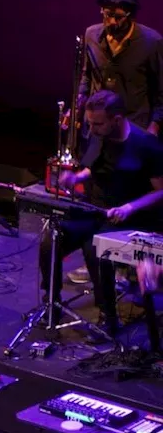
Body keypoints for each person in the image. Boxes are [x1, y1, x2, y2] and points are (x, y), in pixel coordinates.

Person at [45, 90, 163, 334]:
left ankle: (108, 316)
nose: (92, 128)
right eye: (90, 123)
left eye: (97, 123)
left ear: (117, 120)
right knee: (51, 237)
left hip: (130, 216)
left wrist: (130, 207)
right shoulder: (99, 134)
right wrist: (75, 177)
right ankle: (51, 303)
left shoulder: (146, 145)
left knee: (95, 247)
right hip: (96, 209)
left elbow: (160, 192)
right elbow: (93, 170)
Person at [77, 0, 162, 138]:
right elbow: (87, 77)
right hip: (95, 130)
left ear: (131, 16)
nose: (112, 22)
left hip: (132, 130)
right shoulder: (91, 35)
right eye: (108, 14)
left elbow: (160, 92)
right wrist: (78, 105)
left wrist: (154, 127)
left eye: (119, 17)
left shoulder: (152, 42)